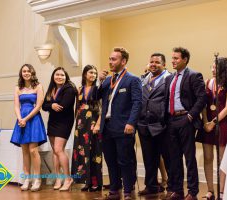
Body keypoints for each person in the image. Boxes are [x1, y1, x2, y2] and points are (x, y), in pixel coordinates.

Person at [97, 47, 142, 200]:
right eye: (109, 59)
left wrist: (131, 123)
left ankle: (128, 190)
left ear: (123, 61)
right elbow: (94, 97)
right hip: (107, 126)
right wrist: (99, 80)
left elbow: (137, 103)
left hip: (124, 126)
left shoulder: (133, 79)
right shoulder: (108, 80)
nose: (110, 62)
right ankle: (114, 189)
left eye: (114, 59)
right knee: (110, 160)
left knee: (125, 159)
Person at [164, 47, 206, 200]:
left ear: (185, 59)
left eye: (176, 58)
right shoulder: (170, 78)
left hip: (186, 120)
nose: (173, 61)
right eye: (172, 58)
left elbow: (202, 99)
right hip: (171, 120)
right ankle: (177, 190)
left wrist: (189, 116)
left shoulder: (194, 75)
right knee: (174, 158)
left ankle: (193, 192)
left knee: (189, 158)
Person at [196, 57, 227, 200]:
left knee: (221, 158)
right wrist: (206, 122)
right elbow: (204, 105)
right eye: (212, 67)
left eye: (216, 67)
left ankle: (221, 191)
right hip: (207, 123)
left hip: (222, 123)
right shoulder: (208, 82)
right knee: (208, 157)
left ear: (223, 69)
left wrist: (213, 122)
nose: (212, 70)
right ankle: (210, 190)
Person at [137, 53, 171, 196]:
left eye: (157, 62)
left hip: (162, 124)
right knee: (149, 158)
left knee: (169, 158)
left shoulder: (169, 78)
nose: (153, 64)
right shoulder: (144, 79)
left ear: (164, 64)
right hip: (144, 125)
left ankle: (173, 187)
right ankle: (151, 186)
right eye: (151, 62)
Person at [10, 64, 47, 191]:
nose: (26, 73)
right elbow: (16, 105)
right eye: (24, 71)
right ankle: (27, 178)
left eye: (28, 71)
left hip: (33, 119)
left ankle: (37, 179)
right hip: (21, 120)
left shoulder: (38, 86)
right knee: (24, 151)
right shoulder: (17, 88)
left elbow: (38, 106)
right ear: (21, 73)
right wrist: (20, 118)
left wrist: (25, 119)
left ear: (32, 72)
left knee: (33, 151)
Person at [42, 67, 77, 191]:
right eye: (57, 74)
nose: (59, 77)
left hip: (64, 122)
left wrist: (51, 104)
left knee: (58, 149)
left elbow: (64, 105)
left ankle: (68, 178)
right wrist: (52, 104)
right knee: (55, 151)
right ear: (53, 76)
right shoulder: (52, 88)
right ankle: (58, 178)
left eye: (62, 75)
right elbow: (44, 105)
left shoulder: (69, 88)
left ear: (66, 76)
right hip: (52, 122)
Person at [71, 65, 103, 192]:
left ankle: (96, 183)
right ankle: (87, 181)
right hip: (80, 125)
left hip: (93, 123)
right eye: (91, 72)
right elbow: (77, 108)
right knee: (81, 153)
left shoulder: (98, 89)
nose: (93, 75)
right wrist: (75, 125)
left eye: (95, 73)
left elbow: (102, 108)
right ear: (85, 74)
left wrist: (98, 124)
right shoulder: (79, 89)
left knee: (94, 153)